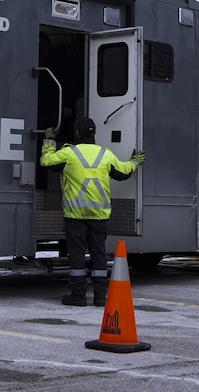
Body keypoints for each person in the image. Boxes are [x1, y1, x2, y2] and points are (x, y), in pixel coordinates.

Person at [41, 116, 145, 306]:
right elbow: (122, 172)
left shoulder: (69, 154)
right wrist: (135, 161)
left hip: (75, 216)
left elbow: (46, 161)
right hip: (99, 216)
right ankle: (99, 297)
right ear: (95, 134)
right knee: (98, 254)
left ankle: (78, 296)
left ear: (77, 133)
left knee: (77, 254)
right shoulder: (105, 154)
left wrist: (49, 140)